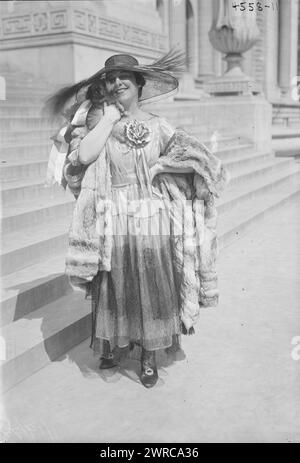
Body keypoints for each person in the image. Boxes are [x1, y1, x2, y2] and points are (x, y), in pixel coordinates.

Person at [44, 50, 228, 388]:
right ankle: (115, 345)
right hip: (113, 213)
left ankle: (148, 355)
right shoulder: (100, 123)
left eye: (123, 78)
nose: (116, 83)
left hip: (153, 215)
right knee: (115, 284)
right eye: (111, 79)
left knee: (152, 285)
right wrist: (110, 118)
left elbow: (205, 161)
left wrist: (163, 165)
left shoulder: (159, 125)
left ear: (138, 84)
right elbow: (84, 156)